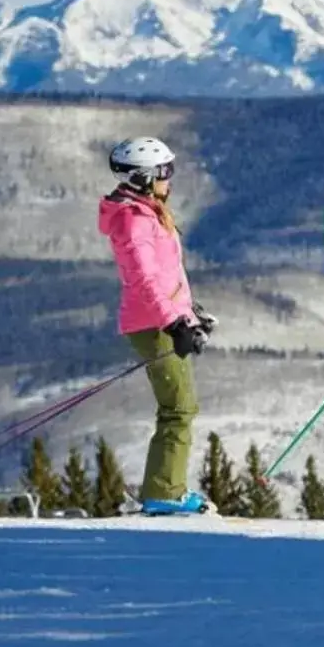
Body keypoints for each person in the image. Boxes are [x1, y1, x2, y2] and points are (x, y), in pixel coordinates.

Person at [98, 137, 214, 516]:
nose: (170, 179)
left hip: (161, 320)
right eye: (164, 172)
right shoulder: (133, 222)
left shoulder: (148, 214)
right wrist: (175, 322)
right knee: (179, 408)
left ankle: (166, 488)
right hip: (152, 325)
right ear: (144, 178)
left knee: (180, 406)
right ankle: (164, 492)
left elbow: (168, 275)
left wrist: (191, 315)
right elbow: (145, 281)